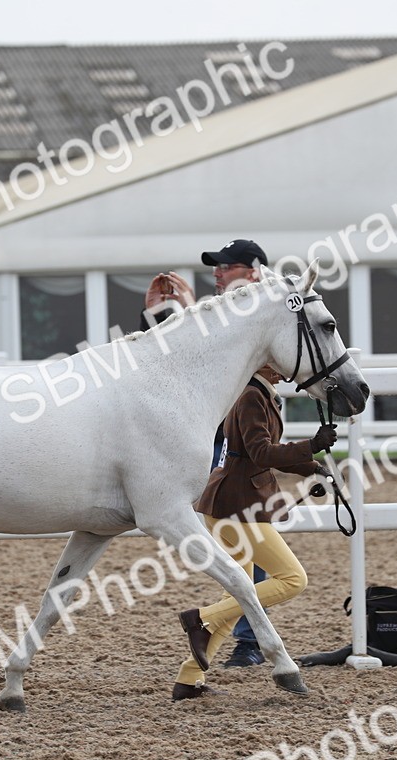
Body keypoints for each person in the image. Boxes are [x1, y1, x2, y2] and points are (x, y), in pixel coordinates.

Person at [143, 239, 335, 669]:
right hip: (221, 445)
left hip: (228, 445)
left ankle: (201, 667)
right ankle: (222, 636)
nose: (218, 273)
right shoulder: (237, 315)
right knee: (262, 566)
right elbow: (174, 353)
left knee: (244, 564)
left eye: (226, 266)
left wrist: (309, 461)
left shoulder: (270, 313)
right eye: (217, 266)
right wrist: (164, 314)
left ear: (252, 272)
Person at [173, 364, 329, 700]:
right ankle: (200, 618)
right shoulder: (250, 397)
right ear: (261, 363)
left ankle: (189, 679)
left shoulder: (256, 393)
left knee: (235, 598)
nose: (283, 369)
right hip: (240, 508)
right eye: (275, 362)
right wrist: (311, 445)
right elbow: (262, 452)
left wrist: (311, 465)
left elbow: (260, 452)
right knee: (292, 579)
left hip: (231, 504)